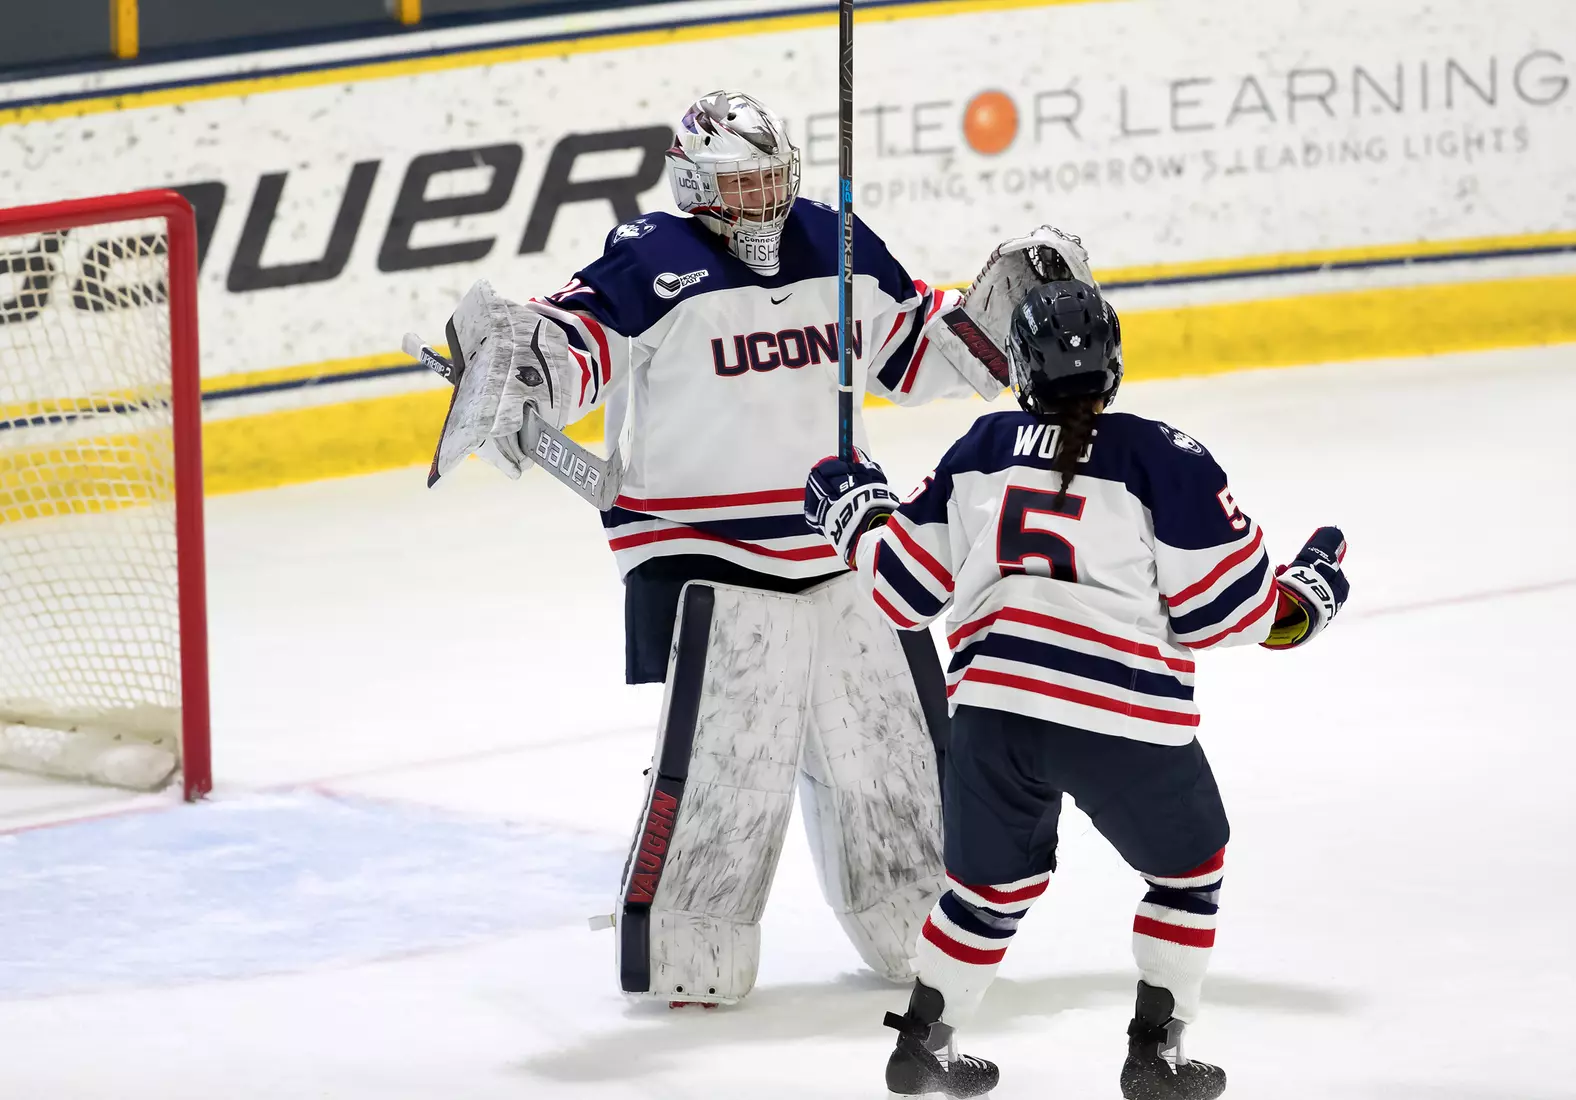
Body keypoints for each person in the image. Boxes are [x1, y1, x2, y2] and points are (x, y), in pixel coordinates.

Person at [420, 90, 1013, 1006]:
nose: (763, 200)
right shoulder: (651, 258)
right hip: (709, 559)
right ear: (694, 184)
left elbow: (911, 349)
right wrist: (525, 360)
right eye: (741, 185)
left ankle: (918, 926)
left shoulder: (836, 240)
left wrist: (992, 320)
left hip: (848, 547)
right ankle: (691, 954)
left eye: (773, 179)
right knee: (728, 779)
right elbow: (577, 341)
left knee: (894, 760)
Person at [803, 280, 1350, 1098]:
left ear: (1022, 367)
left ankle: (923, 1044)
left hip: (992, 714)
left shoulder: (980, 447)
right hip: (1119, 716)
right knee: (1188, 873)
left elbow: (905, 591)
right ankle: (1156, 1058)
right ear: (1113, 363)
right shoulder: (1165, 456)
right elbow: (1225, 613)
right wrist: (1305, 601)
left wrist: (856, 517)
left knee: (987, 890)